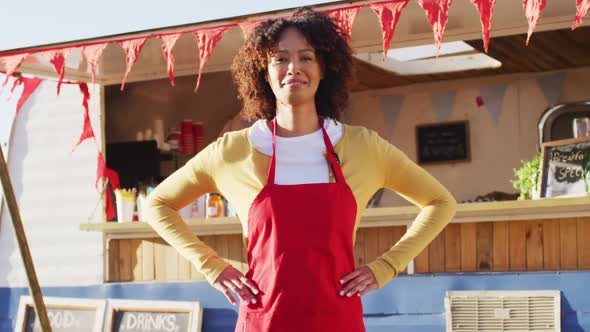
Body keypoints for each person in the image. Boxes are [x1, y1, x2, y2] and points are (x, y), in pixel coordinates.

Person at [144, 8, 456, 332]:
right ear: (264, 72)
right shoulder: (232, 151)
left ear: (323, 69)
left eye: (306, 57)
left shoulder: (364, 147)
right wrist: (211, 266)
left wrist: (387, 266)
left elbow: (440, 202)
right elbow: (157, 204)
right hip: (264, 322)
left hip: (337, 322)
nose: (294, 68)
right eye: (280, 59)